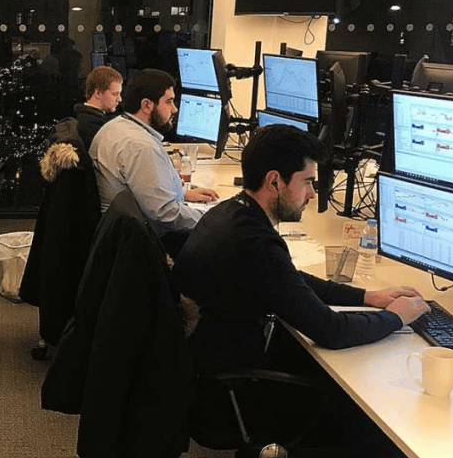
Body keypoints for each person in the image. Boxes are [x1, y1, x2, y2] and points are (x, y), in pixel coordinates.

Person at [174, 123, 428, 375]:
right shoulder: (257, 245)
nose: (312, 194)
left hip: (197, 358)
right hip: (229, 379)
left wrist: (367, 297)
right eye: (307, 182)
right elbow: (332, 331)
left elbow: (290, 278)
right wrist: (395, 317)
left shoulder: (229, 211)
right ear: (274, 181)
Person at [90, 68, 219, 237]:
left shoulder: (117, 126)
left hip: (120, 231)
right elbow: (165, 214)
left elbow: (146, 193)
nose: (174, 109)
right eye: (169, 102)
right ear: (147, 105)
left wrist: (182, 194)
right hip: (144, 239)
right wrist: (215, 219)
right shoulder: (140, 146)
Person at [74, 65, 122, 148]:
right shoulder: (92, 127)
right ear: (98, 93)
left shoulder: (81, 117)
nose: (119, 99)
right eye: (114, 94)